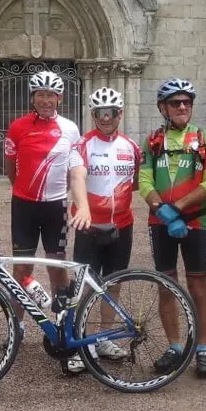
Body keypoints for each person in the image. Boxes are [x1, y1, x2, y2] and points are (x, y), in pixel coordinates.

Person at [139, 78, 206, 378]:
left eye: (187, 102)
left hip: (196, 220)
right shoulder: (152, 141)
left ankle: (203, 349)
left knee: (198, 286)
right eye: (175, 102)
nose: (182, 107)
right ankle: (174, 346)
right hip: (160, 222)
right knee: (166, 285)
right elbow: (144, 181)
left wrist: (179, 208)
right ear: (164, 108)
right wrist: (163, 210)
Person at [4, 70, 88, 339]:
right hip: (24, 206)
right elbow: (10, 169)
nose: (45, 100)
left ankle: (63, 325)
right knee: (21, 268)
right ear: (33, 97)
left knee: (57, 266)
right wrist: (23, 188)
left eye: (50, 95)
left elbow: (75, 169)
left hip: (55, 207)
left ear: (59, 98)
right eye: (40, 95)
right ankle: (16, 325)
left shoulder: (70, 128)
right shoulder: (17, 127)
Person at [65, 87, 141, 373]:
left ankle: (105, 337)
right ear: (93, 115)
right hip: (89, 225)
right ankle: (79, 343)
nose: (105, 118)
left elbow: (133, 184)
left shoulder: (131, 147)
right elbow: (77, 176)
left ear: (120, 114)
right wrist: (83, 206)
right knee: (83, 284)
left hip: (122, 224)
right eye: (100, 113)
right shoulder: (82, 145)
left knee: (113, 283)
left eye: (110, 113)